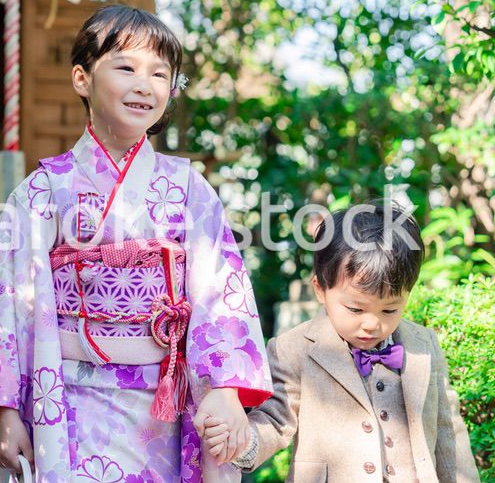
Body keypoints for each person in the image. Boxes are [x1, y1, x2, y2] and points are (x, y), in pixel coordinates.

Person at [0, 4, 272, 482]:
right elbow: (5, 299)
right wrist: (6, 411)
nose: (145, 85)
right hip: (68, 402)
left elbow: (221, 292)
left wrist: (223, 386)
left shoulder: (187, 187)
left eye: (161, 74)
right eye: (126, 67)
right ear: (82, 79)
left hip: (165, 404)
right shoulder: (45, 189)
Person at [203, 203, 480, 482]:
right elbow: (275, 420)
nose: (372, 324)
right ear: (321, 290)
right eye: (356, 309)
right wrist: (240, 441)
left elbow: (449, 434)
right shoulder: (293, 349)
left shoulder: (423, 345)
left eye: (389, 310)